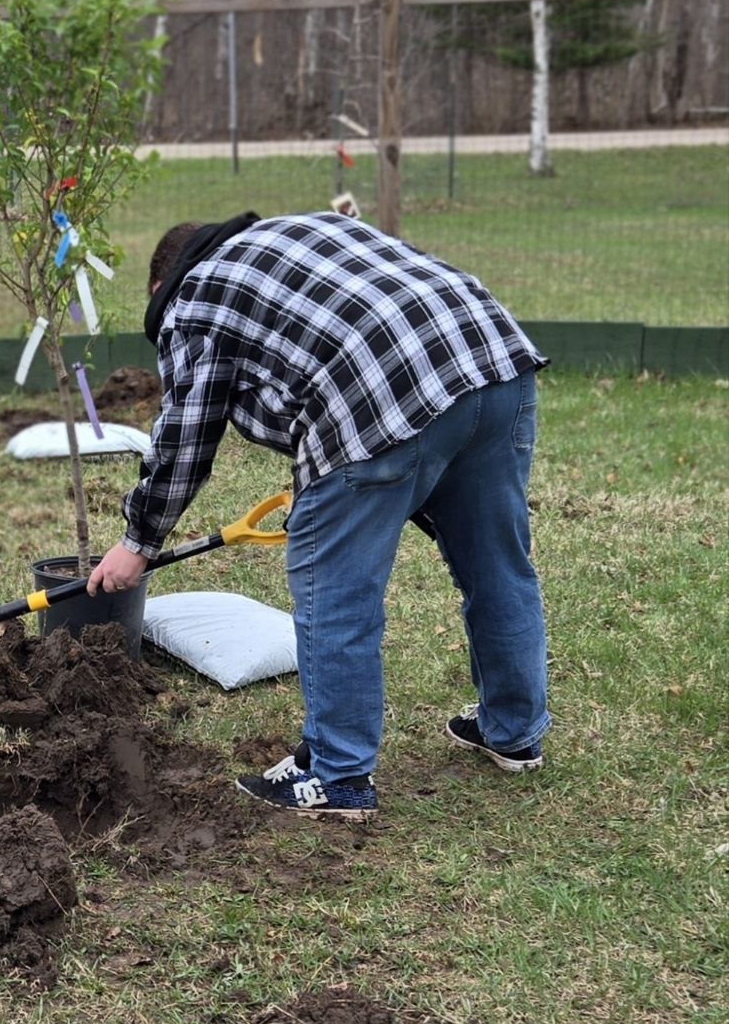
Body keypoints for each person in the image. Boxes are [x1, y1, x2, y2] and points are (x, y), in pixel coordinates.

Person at [86, 210, 551, 820]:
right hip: (492, 359)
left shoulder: (193, 296)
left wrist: (138, 539)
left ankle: (337, 775)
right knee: (498, 565)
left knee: (334, 592)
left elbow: (185, 437)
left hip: (379, 391)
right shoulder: (300, 231)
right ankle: (513, 730)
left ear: (159, 286)